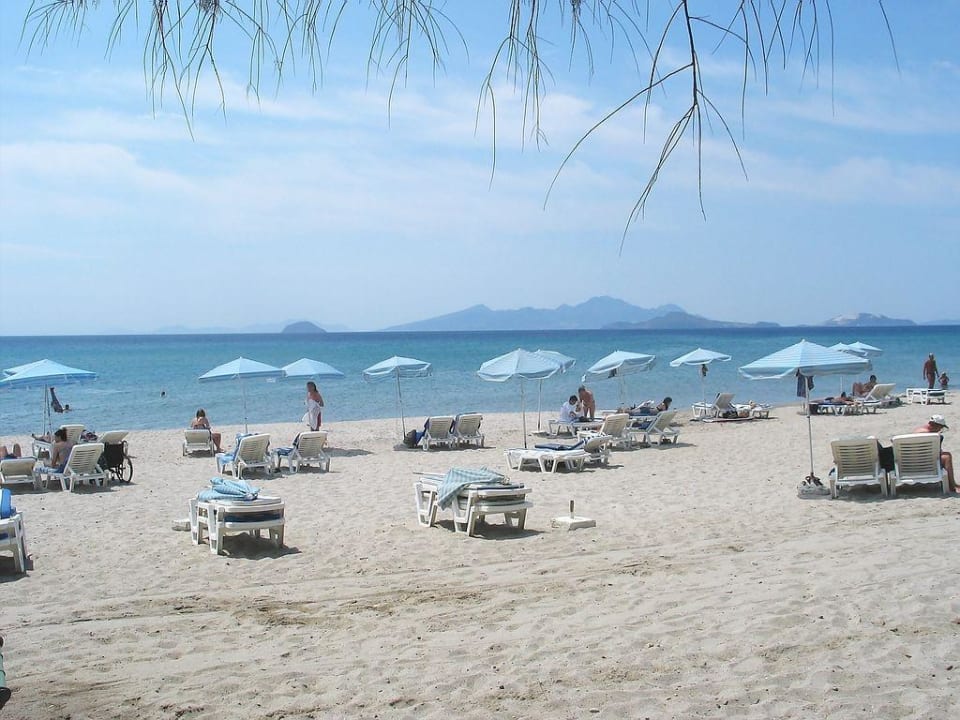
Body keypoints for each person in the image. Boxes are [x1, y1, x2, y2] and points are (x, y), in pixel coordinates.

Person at [912, 414, 955, 492]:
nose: (940, 430)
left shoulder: (918, 430)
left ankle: (952, 485)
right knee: (947, 456)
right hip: (923, 463)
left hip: (912, 462)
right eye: (940, 427)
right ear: (934, 425)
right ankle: (952, 486)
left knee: (945, 455)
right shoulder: (929, 435)